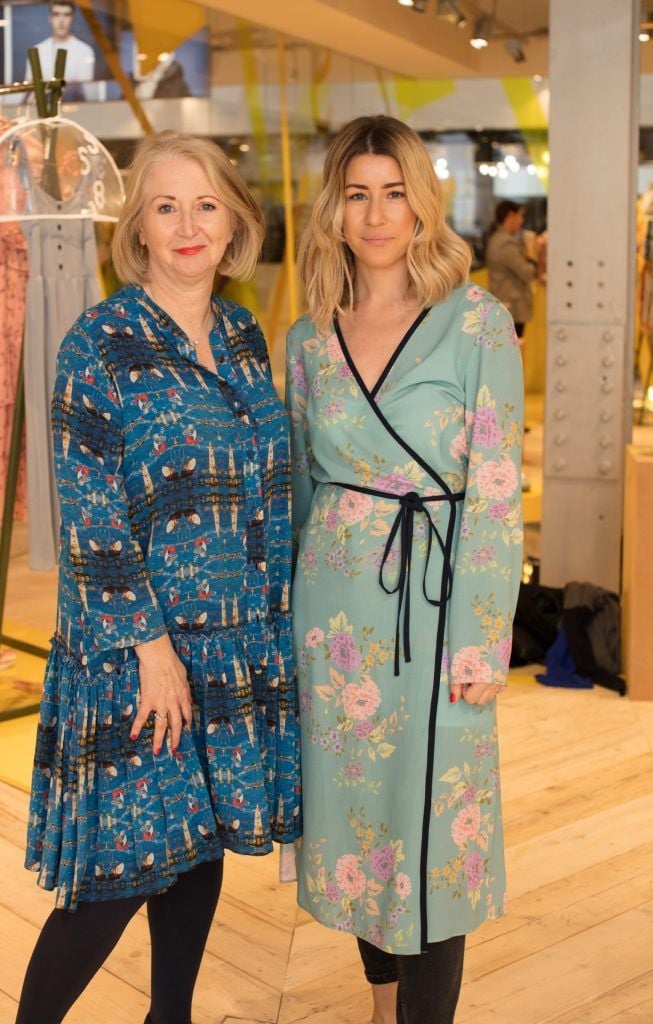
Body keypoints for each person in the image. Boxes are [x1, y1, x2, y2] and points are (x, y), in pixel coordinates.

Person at [15, 130, 301, 1024]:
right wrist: (150, 649)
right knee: (119, 868)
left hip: (233, 641)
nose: (187, 225)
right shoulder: (98, 344)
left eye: (206, 205)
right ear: (137, 227)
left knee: (198, 844)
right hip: (138, 653)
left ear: (234, 224)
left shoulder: (247, 337)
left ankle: (168, 1017)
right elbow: (88, 514)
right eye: (166, 206)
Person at [286, 115, 523, 1024]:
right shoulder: (310, 338)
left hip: (437, 612)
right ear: (335, 211)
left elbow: (497, 490)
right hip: (333, 622)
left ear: (420, 203)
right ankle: (380, 1005)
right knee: (356, 828)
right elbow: (304, 491)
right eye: (357, 194)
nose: (376, 214)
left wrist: (481, 639)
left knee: (435, 840)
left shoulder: (475, 323)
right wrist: (287, 625)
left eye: (393, 192)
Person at [485, 199, 537, 340]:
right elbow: (527, 272)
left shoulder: (499, 239)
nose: (521, 221)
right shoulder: (505, 243)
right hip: (512, 308)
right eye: (519, 216)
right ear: (509, 216)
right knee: (513, 353)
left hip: (506, 306)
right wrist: (532, 251)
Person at [24, 2, 95, 101]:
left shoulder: (85, 51)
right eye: (56, 14)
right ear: (50, 18)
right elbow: (30, 89)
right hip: (42, 110)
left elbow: (85, 91)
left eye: (66, 15)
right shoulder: (37, 50)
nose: (61, 21)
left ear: (72, 18)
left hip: (75, 108)